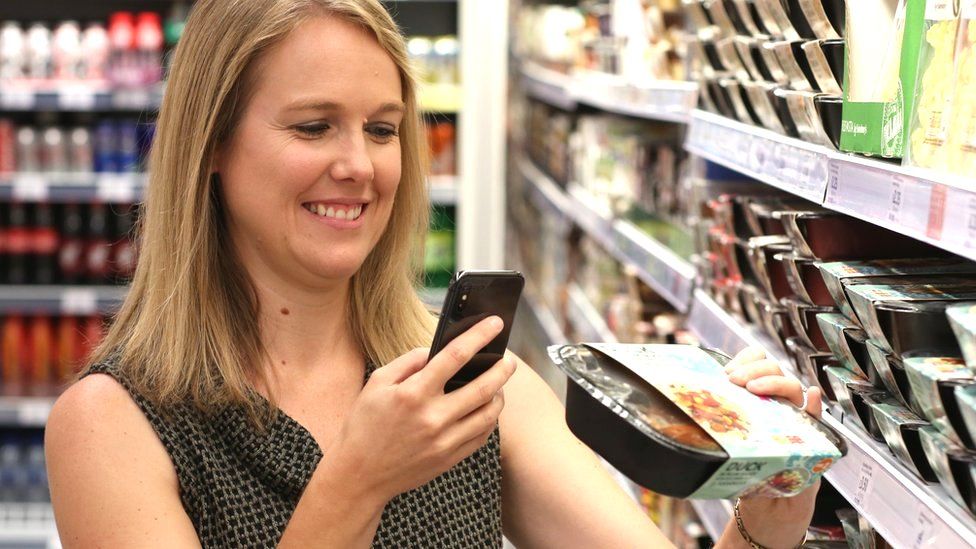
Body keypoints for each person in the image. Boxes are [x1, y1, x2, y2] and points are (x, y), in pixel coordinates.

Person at [44, 1, 823, 547]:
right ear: (210, 144)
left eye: (382, 129)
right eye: (314, 126)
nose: (358, 165)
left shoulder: (472, 385)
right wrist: (357, 480)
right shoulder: (114, 424)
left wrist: (766, 513)